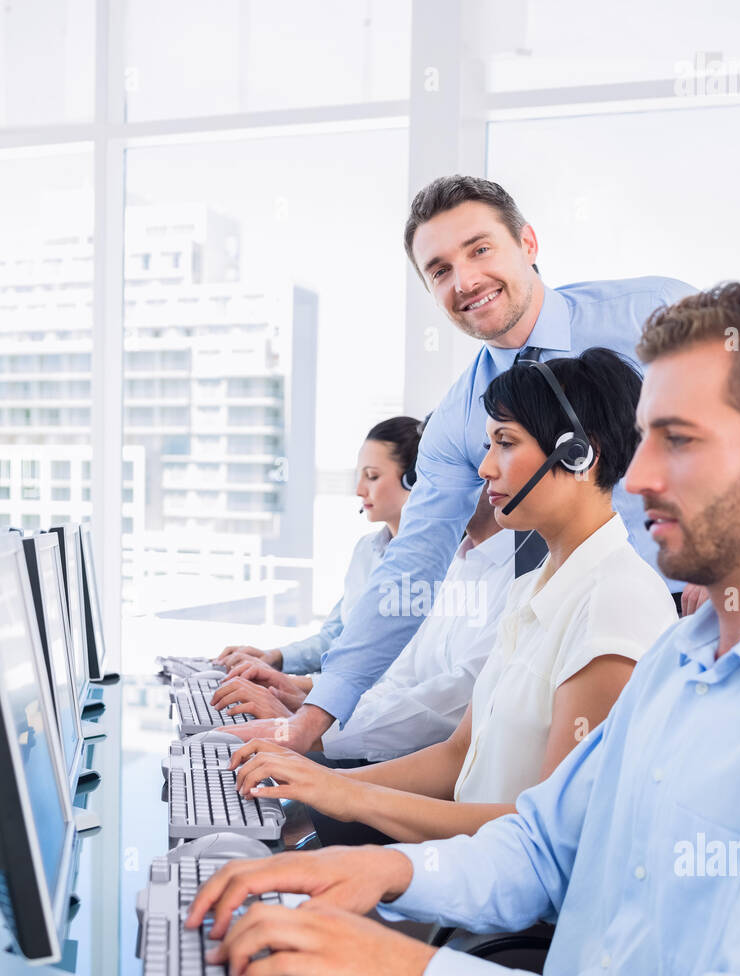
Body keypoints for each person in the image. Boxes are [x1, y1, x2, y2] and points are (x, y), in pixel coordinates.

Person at [69, 281, 740, 976]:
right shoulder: (682, 658)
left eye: (676, 439)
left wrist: (415, 975)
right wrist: (368, 870)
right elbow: (539, 842)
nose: (636, 473)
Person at [252, 175, 693, 757]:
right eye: (439, 270)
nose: (466, 281)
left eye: (480, 249)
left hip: (697, 611)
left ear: (528, 244)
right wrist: (316, 715)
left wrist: (727, 569)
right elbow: (412, 562)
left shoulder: (651, 315)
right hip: (574, 637)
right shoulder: (458, 420)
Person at [228, 350, 677, 847]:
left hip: (512, 913)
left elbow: (552, 834)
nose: (484, 468)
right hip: (466, 873)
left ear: (579, 455)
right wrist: (318, 790)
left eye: (504, 443)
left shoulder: (615, 604)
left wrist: (345, 796)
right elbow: (458, 755)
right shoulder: (533, 587)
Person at [215, 487, 516, 762]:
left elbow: (456, 701)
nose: (425, 485)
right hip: (392, 751)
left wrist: (312, 725)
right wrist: (311, 705)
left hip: (420, 770)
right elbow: (398, 681)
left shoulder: (520, 576)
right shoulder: (453, 567)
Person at [210, 416, 422, 715]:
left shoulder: (435, 567)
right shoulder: (367, 551)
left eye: (372, 476)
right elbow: (335, 636)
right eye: (359, 476)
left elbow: (389, 676)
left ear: (412, 479)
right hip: (342, 708)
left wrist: (294, 685)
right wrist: (274, 658)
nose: (360, 489)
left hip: (373, 719)